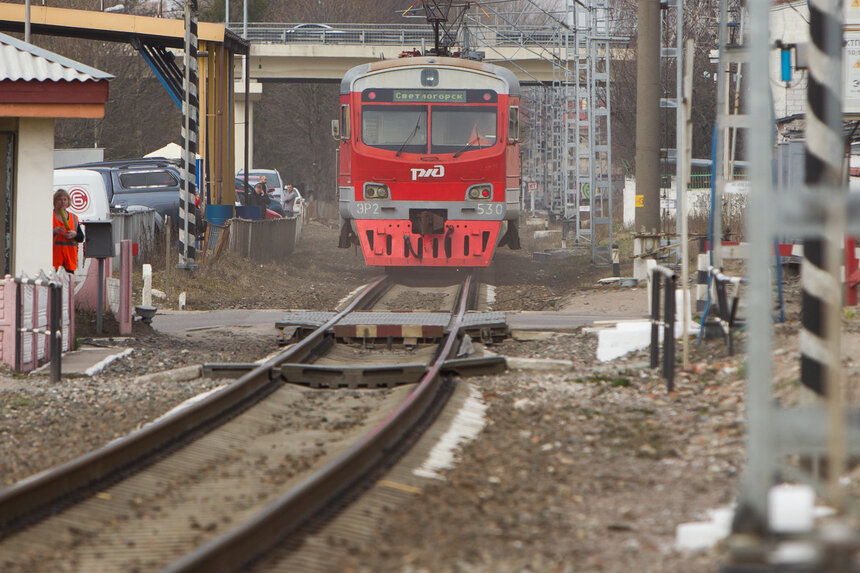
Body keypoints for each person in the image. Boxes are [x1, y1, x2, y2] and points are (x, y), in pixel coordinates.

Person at [52, 188, 84, 272]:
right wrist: (54, 231)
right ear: (55, 202)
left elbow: (81, 238)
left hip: (69, 260)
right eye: (59, 199)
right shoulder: (50, 216)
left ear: (68, 202)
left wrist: (75, 234)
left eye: (65, 199)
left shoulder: (74, 217)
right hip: (54, 260)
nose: (62, 202)